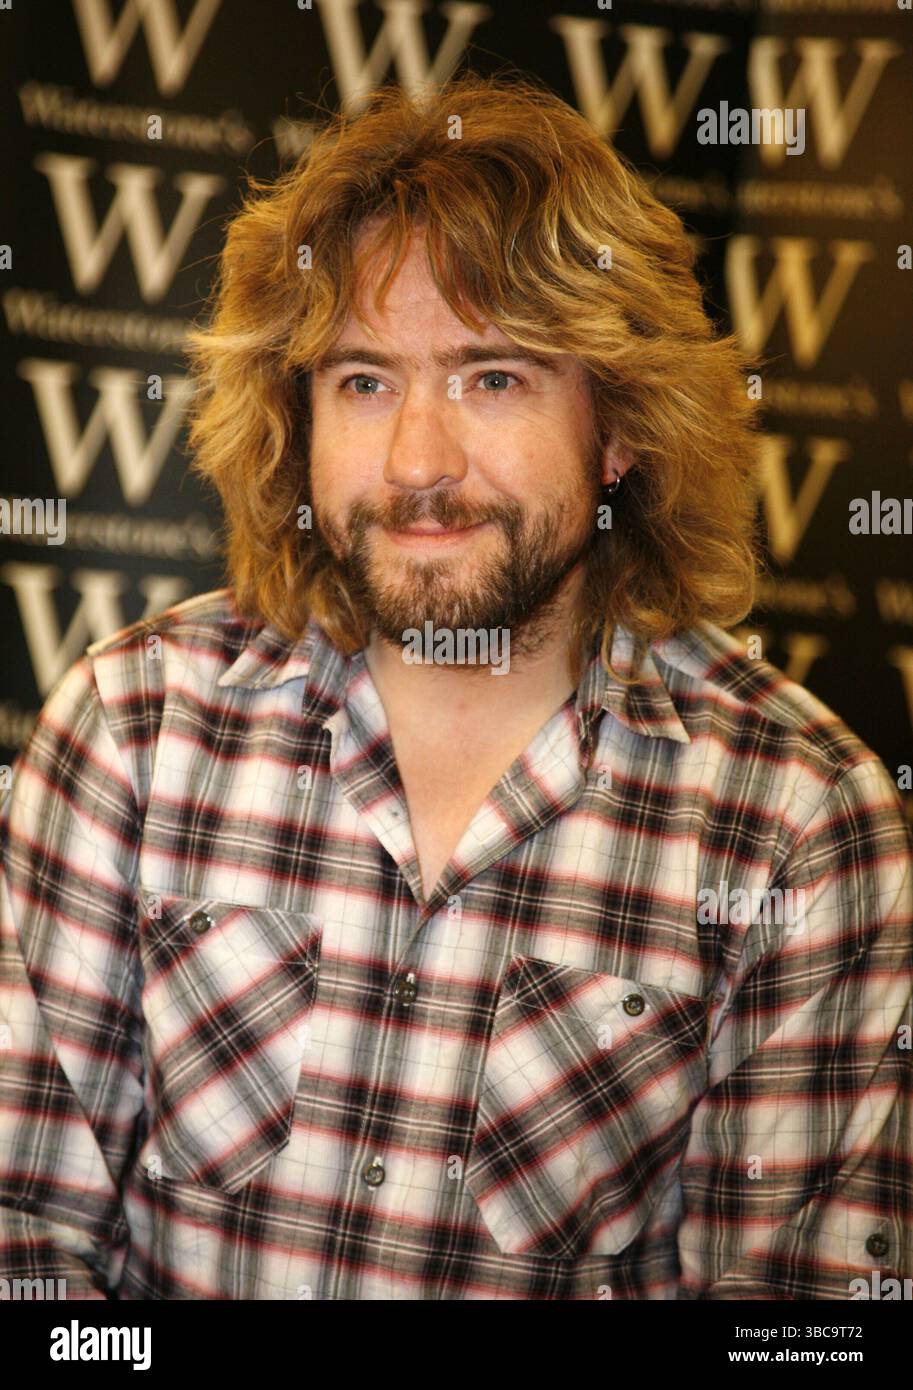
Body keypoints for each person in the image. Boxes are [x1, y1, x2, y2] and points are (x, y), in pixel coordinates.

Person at [0, 73, 909, 1302]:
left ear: (620, 428)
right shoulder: (133, 731)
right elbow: (26, 1245)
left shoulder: (795, 821)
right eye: (364, 381)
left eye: (493, 377)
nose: (418, 464)